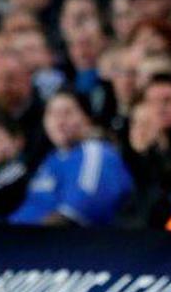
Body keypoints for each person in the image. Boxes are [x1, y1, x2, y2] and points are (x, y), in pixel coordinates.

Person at [10, 91, 132, 226]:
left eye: (67, 113)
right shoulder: (52, 159)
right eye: (52, 114)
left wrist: (26, 238)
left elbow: (78, 212)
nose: (59, 121)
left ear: (87, 119)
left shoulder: (97, 153)